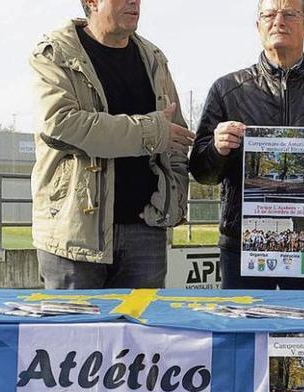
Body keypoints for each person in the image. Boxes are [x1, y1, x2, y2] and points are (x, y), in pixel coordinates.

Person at [189, 0, 304, 290]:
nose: (278, 21)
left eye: (289, 14)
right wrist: (216, 149)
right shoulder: (227, 90)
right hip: (242, 246)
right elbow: (201, 173)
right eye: (269, 14)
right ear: (258, 25)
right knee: (244, 332)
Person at [30, 0, 194, 290]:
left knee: (142, 333)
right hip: (75, 236)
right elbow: (61, 125)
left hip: (145, 231)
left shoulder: (154, 59)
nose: (135, 2)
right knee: (75, 335)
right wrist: (150, 131)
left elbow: (176, 138)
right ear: (92, 2)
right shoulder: (55, 53)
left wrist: (173, 201)